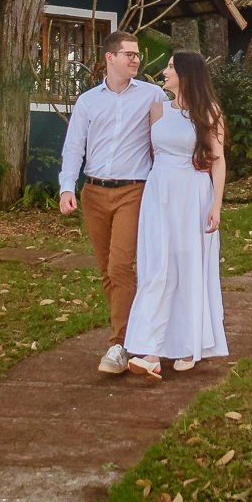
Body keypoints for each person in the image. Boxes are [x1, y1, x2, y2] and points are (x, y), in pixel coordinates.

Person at [60, 30, 166, 374]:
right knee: (107, 270)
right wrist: (66, 187)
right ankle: (131, 337)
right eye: (129, 54)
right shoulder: (88, 101)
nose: (136, 60)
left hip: (133, 191)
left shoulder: (152, 95)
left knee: (121, 266)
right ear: (110, 58)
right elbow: (74, 147)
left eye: (137, 55)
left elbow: (168, 137)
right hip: (93, 193)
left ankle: (120, 344)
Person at [121, 50, 228, 381]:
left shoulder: (208, 112)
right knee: (157, 267)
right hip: (159, 193)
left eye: (170, 67)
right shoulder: (158, 109)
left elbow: (218, 160)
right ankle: (150, 350)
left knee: (188, 266)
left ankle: (188, 345)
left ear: (186, 74)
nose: (164, 71)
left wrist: (215, 205)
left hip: (192, 194)